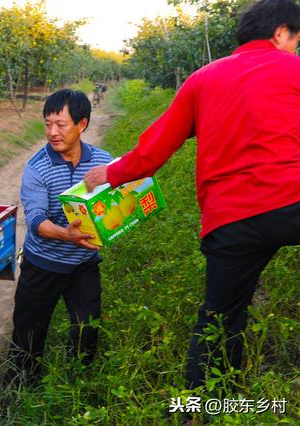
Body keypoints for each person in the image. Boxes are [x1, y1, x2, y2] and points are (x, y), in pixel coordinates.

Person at [84, 0, 300, 390]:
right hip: (293, 200)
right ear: (281, 33)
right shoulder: (294, 69)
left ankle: (202, 407)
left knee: (220, 317)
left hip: (231, 219)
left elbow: (154, 151)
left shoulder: (202, 79)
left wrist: (110, 173)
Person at [5, 89, 113, 386]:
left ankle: (77, 386)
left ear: (82, 124)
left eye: (61, 124)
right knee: (28, 333)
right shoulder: (37, 167)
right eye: (47, 124)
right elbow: (37, 219)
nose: (52, 132)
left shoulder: (103, 163)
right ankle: (19, 391)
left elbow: (117, 202)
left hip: (83, 264)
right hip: (43, 264)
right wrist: (67, 234)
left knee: (87, 330)